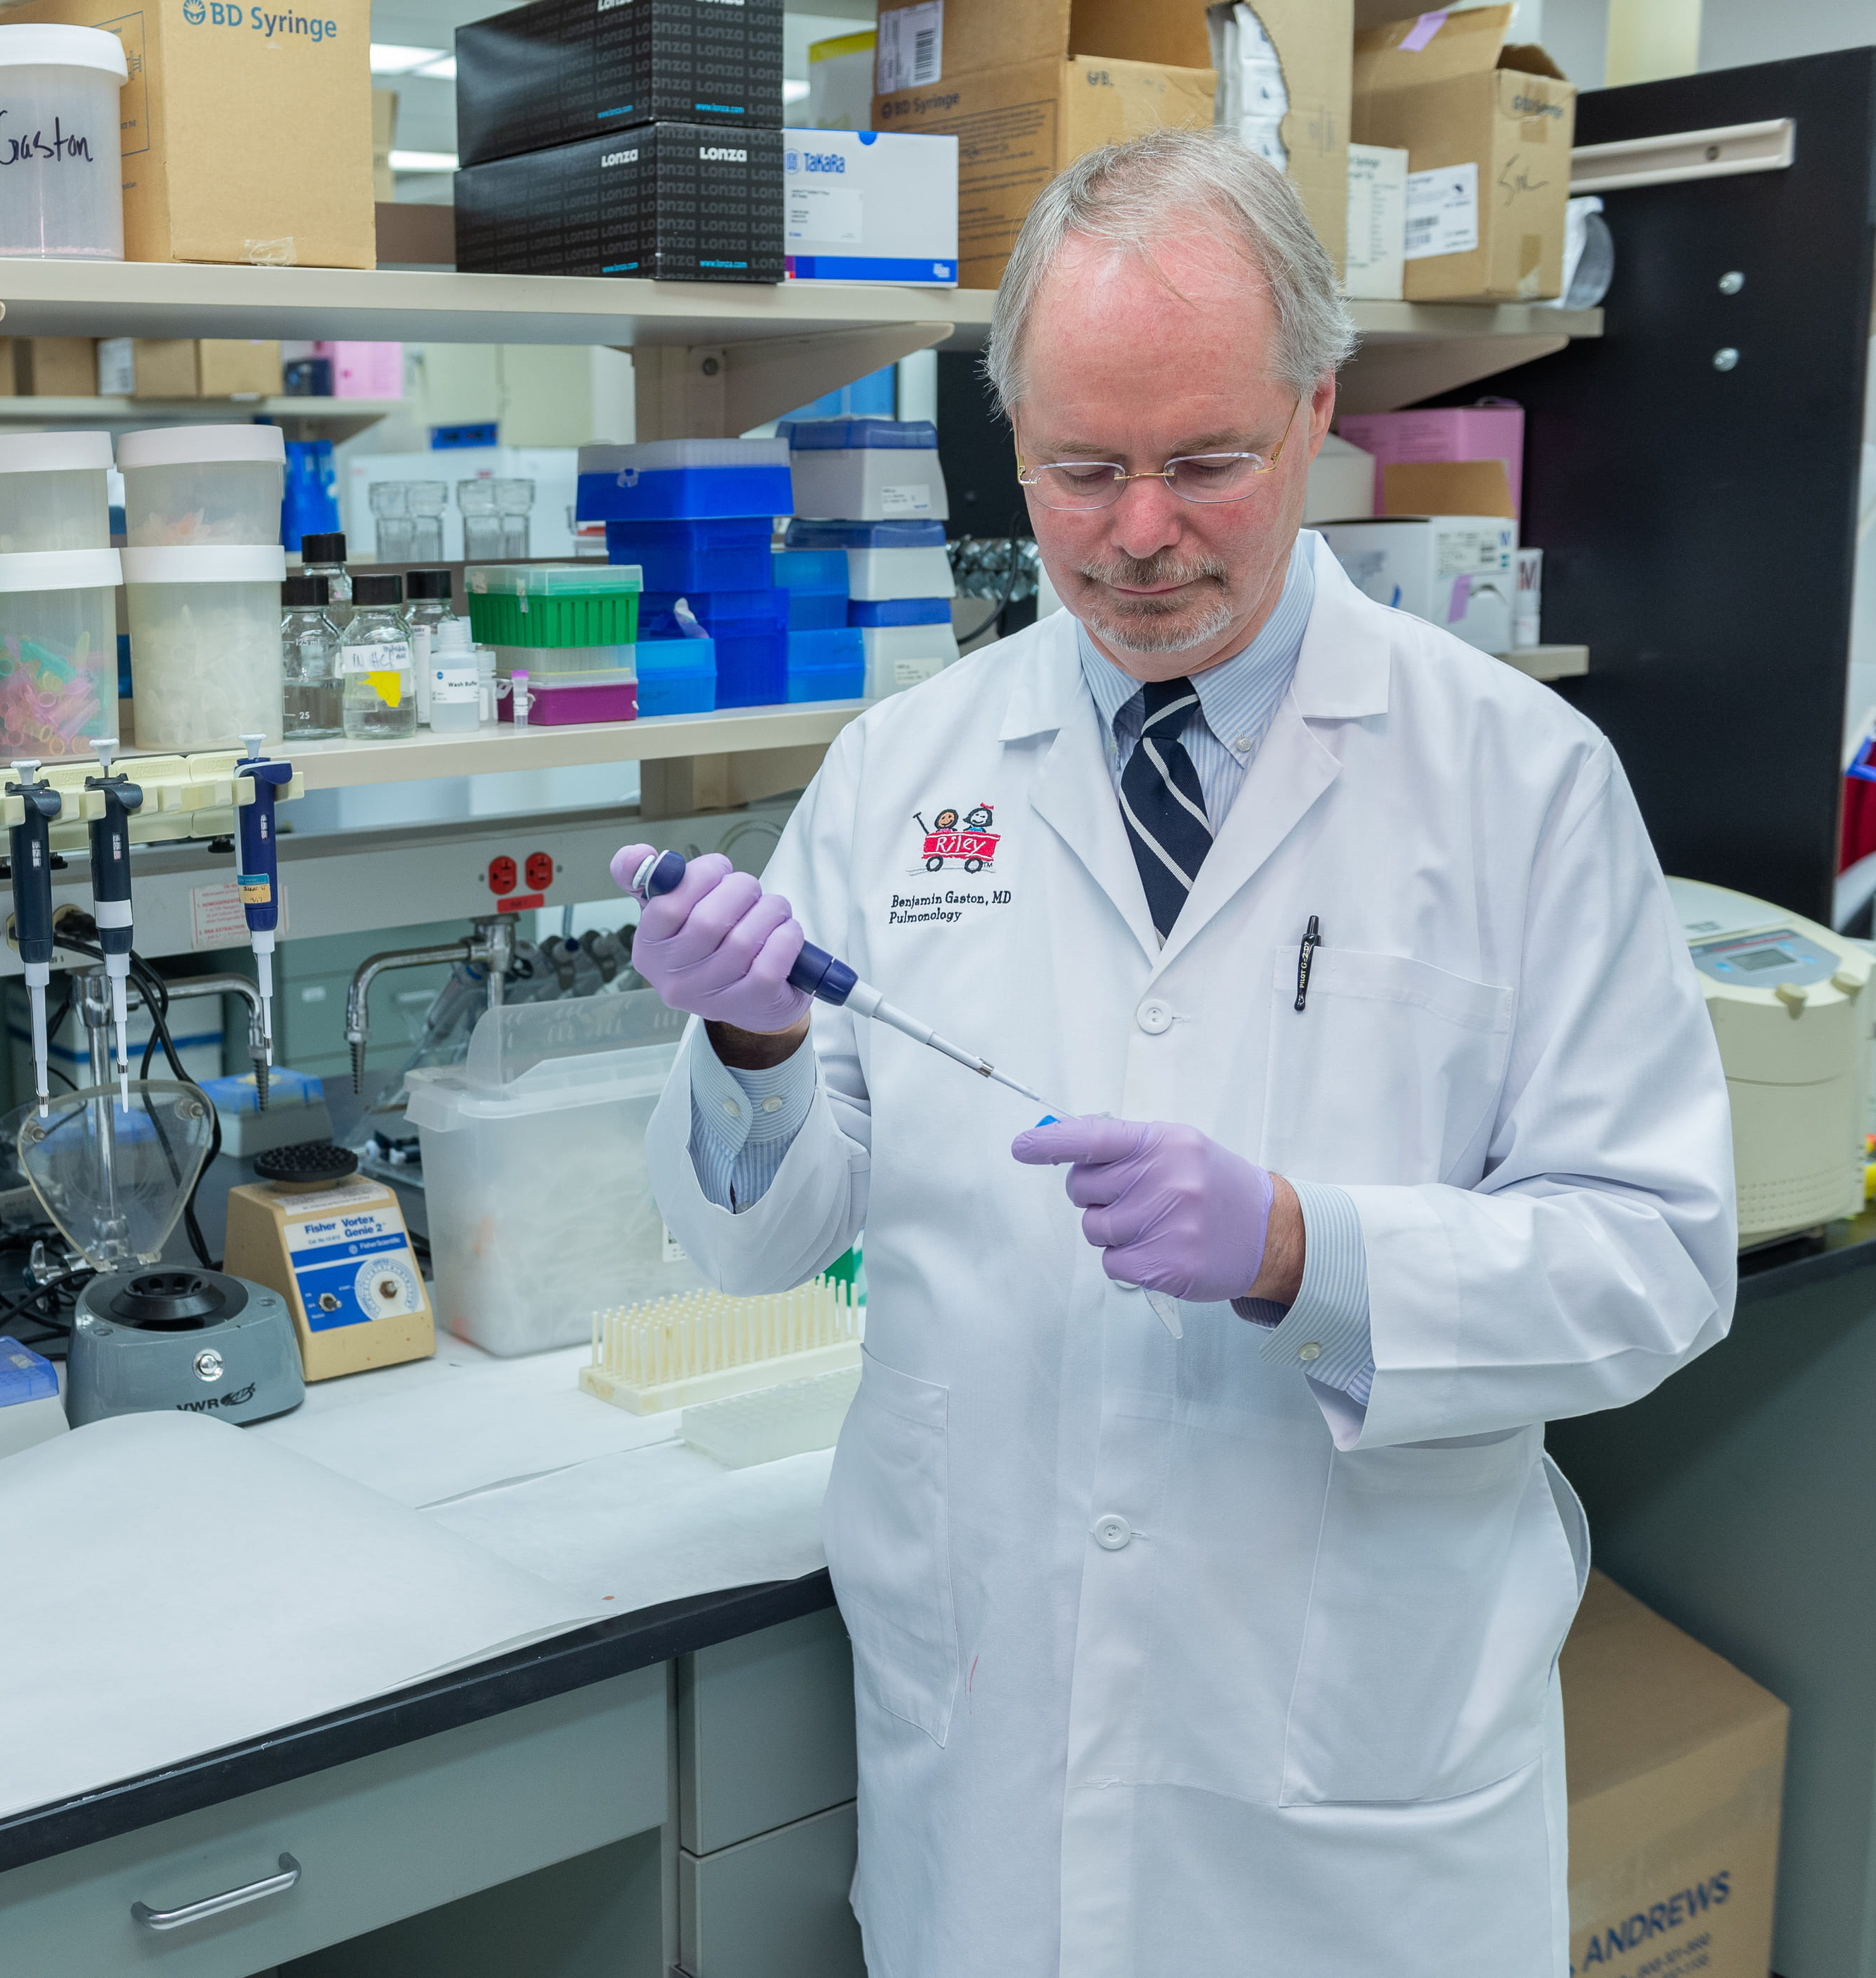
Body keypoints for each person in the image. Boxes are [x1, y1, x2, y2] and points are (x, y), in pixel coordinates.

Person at [615, 127, 1736, 1976]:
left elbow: (1660, 1257)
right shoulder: (910, 775)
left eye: (1207, 463)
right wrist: (748, 1039)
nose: (1141, 533)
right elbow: (756, 1239)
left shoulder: (1515, 781)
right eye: (1081, 470)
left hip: (1349, 1817)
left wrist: (1312, 1250)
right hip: (994, 1773)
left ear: (1313, 415)